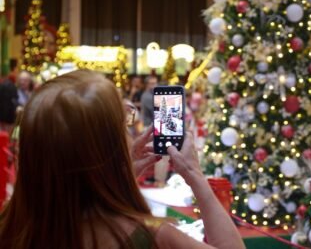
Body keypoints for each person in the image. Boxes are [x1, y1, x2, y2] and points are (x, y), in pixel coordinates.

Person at [0, 70, 245, 249]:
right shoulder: (147, 237)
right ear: (111, 145)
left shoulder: (13, 224)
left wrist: (117, 175)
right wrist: (195, 176)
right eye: (124, 123)